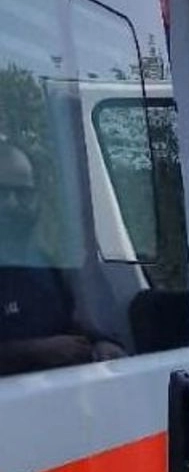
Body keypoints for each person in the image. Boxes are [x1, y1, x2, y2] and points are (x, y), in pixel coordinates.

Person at [0, 141, 124, 376]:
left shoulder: (47, 264)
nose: (12, 203)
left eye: (23, 193)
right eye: (1, 192)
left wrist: (101, 345)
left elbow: (75, 324)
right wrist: (32, 351)